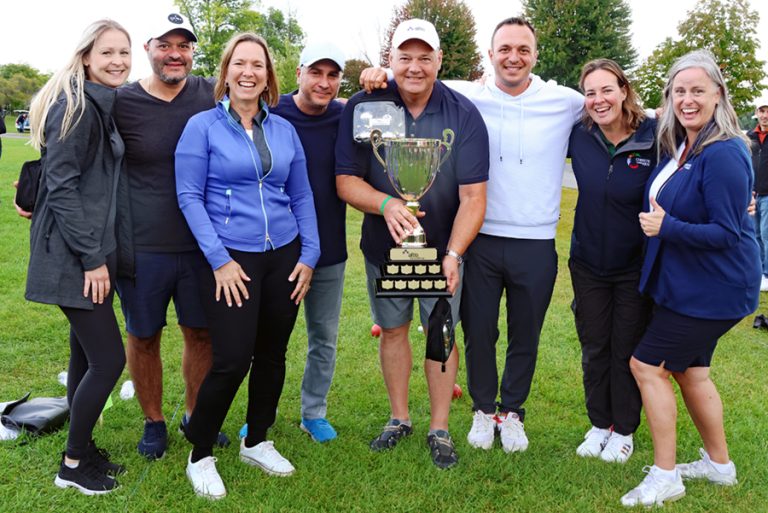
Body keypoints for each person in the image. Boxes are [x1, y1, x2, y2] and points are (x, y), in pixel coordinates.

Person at [337, 18, 489, 469]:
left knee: (441, 333)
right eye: (405, 57)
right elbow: (345, 180)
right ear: (391, 60)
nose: (415, 66)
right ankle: (399, 418)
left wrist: (455, 253)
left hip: (443, 251)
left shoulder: (463, 113)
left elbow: (474, 196)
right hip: (385, 250)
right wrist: (386, 204)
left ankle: (439, 427)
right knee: (395, 330)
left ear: (440, 60)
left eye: (425, 57)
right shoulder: (366, 106)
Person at [175, 33, 320, 499]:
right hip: (230, 261)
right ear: (226, 71)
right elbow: (189, 197)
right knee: (232, 359)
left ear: (268, 76)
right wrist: (219, 260)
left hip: (284, 257)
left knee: (273, 356)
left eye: (257, 65)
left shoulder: (284, 130)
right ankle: (200, 453)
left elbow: (300, 194)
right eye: (240, 63)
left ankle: (257, 440)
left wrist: (310, 255)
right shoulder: (202, 127)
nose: (248, 72)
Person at [621, 50, 760, 508]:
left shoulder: (722, 152)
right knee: (691, 371)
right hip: (692, 286)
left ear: (718, 94)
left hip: (713, 290)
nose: (687, 99)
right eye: (679, 91)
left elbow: (728, 232)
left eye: (698, 90)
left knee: (646, 366)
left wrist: (668, 228)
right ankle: (719, 466)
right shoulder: (686, 144)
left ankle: (666, 476)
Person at [112, 12, 229, 459]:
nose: (175, 53)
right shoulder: (121, 101)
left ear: (193, 51)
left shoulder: (210, 92)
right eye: (165, 44)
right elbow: (76, 143)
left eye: (183, 45)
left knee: (201, 335)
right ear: (148, 48)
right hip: (143, 247)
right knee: (144, 336)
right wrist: (36, 188)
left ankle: (195, 416)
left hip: (205, 246)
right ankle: (153, 421)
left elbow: (265, 99)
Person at [24, 19, 132, 495]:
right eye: (108, 52)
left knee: (85, 354)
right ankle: (71, 466)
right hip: (74, 254)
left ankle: (82, 448)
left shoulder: (96, 103)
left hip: (87, 248)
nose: (118, 61)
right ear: (87, 56)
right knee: (108, 361)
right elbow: (63, 185)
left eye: (125, 53)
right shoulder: (77, 105)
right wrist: (92, 258)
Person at [240, 41, 348, 443]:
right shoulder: (270, 111)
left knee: (323, 337)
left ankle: (313, 413)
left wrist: (384, 75)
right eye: (316, 73)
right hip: (276, 250)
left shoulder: (345, 115)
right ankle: (258, 414)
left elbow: (396, 97)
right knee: (266, 339)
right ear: (299, 72)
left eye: (332, 75)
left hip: (330, 249)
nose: (323, 83)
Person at [568, 59, 656, 463]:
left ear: (624, 90)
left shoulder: (655, 136)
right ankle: (599, 423)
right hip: (587, 262)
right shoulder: (579, 135)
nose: (598, 100)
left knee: (626, 349)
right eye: (590, 93)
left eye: (606, 90)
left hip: (634, 266)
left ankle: (624, 429)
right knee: (594, 345)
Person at [748, 96, 768, 291]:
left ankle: (767, 274)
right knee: (754, 234)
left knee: (766, 233)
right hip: (753, 193)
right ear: (757, 113)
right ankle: (759, 271)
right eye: (762, 111)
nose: (765, 115)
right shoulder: (749, 137)